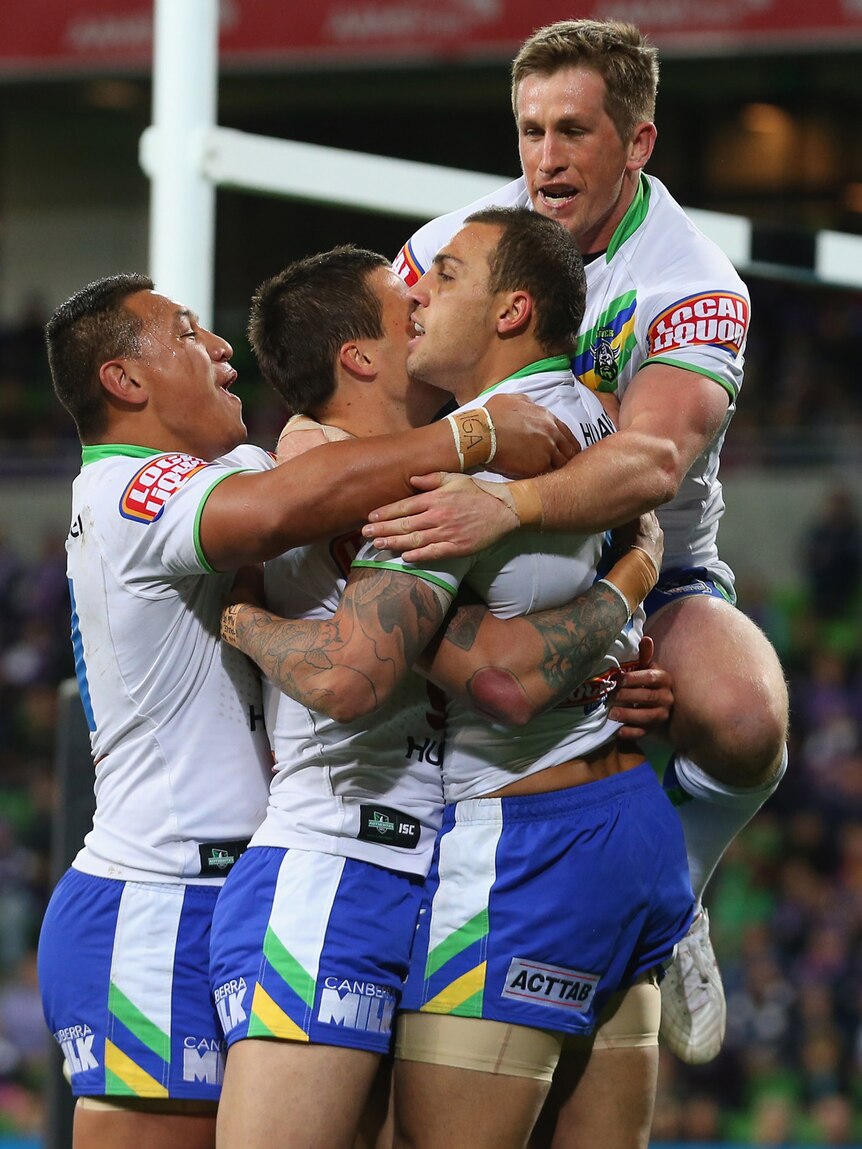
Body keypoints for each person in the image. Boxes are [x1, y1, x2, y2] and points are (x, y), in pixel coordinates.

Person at [35, 272, 573, 1149]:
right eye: (184, 334)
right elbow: (287, 502)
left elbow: (305, 462)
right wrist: (470, 434)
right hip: (158, 897)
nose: (219, 350)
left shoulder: (211, 474)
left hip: (244, 881)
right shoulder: (131, 490)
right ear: (125, 383)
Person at [221, 209, 695, 1149]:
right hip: (625, 829)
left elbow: (469, 679)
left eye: (439, 277)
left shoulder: (442, 487)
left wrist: (244, 619)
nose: (421, 293)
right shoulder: (592, 420)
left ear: (513, 309)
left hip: (516, 845)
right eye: (407, 295)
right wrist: (636, 572)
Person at [374, 17, 790, 1065]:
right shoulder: (453, 247)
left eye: (572, 132)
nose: (545, 160)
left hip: (647, 565)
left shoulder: (689, 282)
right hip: (475, 558)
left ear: (636, 143)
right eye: (529, 131)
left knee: (743, 716)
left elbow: (650, 464)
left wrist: (512, 509)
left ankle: (675, 901)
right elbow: (362, 394)